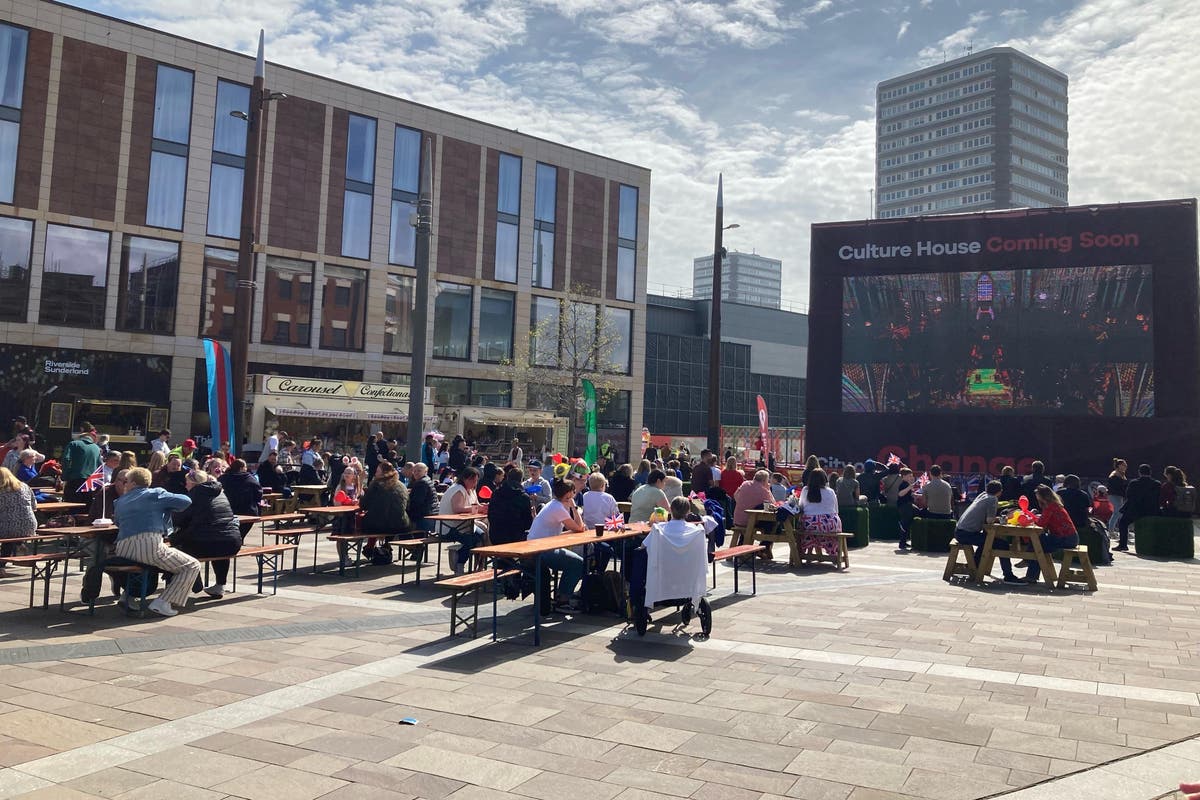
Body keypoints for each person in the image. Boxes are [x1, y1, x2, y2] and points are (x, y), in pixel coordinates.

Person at [112, 467, 198, 617]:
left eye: (126, 481)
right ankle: (163, 602)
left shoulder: (120, 501)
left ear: (132, 482)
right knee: (191, 566)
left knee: (146, 564)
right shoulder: (156, 494)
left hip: (122, 547)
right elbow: (186, 501)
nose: (125, 484)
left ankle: (129, 596)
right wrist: (167, 506)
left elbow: (118, 523)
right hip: (148, 544)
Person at [170, 469, 241, 597]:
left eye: (187, 482)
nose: (185, 485)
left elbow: (179, 519)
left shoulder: (195, 495)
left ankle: (194, 583)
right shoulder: (220, 493)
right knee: (219, 539)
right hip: (232, 543)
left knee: (178, 547)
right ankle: (220, 585)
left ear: (193, 483)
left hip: (206, 544)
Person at [527, 478, 587, 612]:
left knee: (573, 560)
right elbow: (579, 528)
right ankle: (563, 599)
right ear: (569, 494)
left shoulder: (553, 504)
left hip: (537, 545)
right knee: (578, 563)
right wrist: (574, 507)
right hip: (541, 549)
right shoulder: (558, 507)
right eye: (573, 492)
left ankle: (562, 595)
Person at [953, 481, 1021, 583]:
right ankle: (1008, 575)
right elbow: (990, 521)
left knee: (986, 540)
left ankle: (975, 567)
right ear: (1000, 492)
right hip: (966, 534)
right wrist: (1005, 518)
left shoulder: (983, 495)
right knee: (1003, 544)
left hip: (959, 531)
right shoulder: (992, 499)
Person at [438, 466, 487, 573]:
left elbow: (475, 505)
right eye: (472, 480)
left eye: (476, 480)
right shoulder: (458, 489)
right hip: (448, 526)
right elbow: (457, 508)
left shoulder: (472, 490)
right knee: (471, 540)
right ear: (465, 479)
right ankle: (460, 563)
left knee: (483, 536)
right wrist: (478, 508)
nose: (474, 483)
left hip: (465, 525)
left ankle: (478, 566)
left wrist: (483, 506)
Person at [1024, 486, 1079, 583]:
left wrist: (1030, 519)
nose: (1037, 498)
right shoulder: (1055, 505)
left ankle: (1029, 565)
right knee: (1038, 545)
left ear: (1043, 496)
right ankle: (1030, 571)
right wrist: (1035, 517)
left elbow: (1041, 524)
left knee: (1037, 544)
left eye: (1038, 496)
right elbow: (1044, 521)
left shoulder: (1050, 507)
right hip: (1070, 537)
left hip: (1065, 538)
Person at [359, 462, 411, 563]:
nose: (375, 473)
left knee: (367, 521)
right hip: (401, 525)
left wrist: (361, 491)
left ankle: (370, 548)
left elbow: (364, 505)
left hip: (377, 525)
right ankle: (385, 546)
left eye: (378, 471)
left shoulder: (376, 484)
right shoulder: (401, 485)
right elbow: (408, 506)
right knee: (392, 517)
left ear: (384, 473)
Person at [0, 466, 37, 577]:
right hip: (29, 525)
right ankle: (19, 543)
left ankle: (1, 566)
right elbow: (34, 506)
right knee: (11, 533)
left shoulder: (1, 491)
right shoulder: (25, 486)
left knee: (8, 532)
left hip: (8, 527)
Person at [487, 465, 534, 546]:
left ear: (507, 478)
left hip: (495, 536)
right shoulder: (523, 497)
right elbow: (528, 524)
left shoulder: (496, 493)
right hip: (515, 538)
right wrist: (533, 516)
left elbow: (490, 515)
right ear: (521, 480)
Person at [1117, 463, 1160, 551]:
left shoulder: (1134, 483)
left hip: (1135, 510)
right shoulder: (1156, 484)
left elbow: (1128, 495)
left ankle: (1123, 544)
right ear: (1150, 472)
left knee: (1122, 523)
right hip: (1151, 510)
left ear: (1139, 472)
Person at [62, 421, 102, 505]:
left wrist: (65, 476)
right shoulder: (96, 448)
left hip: (75, 479)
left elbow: (66, 459)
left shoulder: (73, 444)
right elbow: (100, 467)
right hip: (90, 483)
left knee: (71, 505)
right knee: (86, 507)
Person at [798, 468, 842, 534]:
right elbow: (836, 510)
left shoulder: (805, 490)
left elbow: (801, 507)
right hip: (830, 523)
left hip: (810, 523)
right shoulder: (831, 491)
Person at [407, 462, 439, 533]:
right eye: (414, 471)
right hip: (432, 515)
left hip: (424, 517)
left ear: (425, 471)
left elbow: (416, 502)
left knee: (402, 528)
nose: (416, 473)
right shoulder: (428, 480)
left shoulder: (421, 483)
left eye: (419, 471)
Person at [1105, 458, 1129, 534]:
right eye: (1123, 465)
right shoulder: (1115, 474)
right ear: (1118, 466)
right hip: (1113, 495)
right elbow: (1114, 486)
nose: (1125, 466)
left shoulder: (1122, 474)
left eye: (1125, 465)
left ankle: (1124, 531)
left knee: (1121, 513)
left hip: (1120, 496)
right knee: (1118, 512)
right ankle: (1111, 531)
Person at [895, 467, 916, 549]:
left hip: (908, 506)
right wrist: (909, 488)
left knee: (907, 525)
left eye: (911, 476)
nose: (911, 477)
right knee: (904, 525)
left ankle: (904, 542)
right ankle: (902, 543)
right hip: (904, 507)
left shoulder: (907, 484)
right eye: (909, 476)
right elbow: (900, 494)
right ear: (903, 476)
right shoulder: (903, 484)